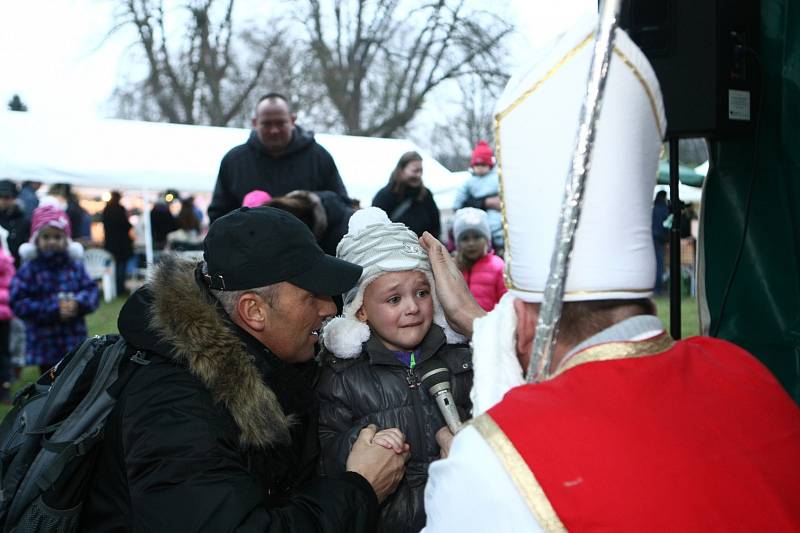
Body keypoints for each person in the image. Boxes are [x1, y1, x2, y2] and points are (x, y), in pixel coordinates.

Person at [421, 15, 800, 532]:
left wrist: (465, 464)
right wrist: (481, 321)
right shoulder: (748, 374)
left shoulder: (492, 465)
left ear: (526, 327)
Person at [80, 206, 409, 532]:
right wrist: (359, 489)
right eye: (312, 296)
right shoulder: (173, 407)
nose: (328, 308)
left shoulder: (270, 360)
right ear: (254, 311)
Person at [317, 207, 471, 533]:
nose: (413, 307)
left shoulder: (459, 359)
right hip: (390, 521)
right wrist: (357, 443)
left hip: (461, 513)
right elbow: (325, 449)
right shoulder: (342, 377)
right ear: (360, 311)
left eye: (422, 292)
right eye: (393, 299)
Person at [208, 93, 350, 223]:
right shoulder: (234, 161)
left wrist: (307, 204)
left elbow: (342, 206)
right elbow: (218, 214)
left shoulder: (318, 157)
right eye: (267, 124)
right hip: (249, 248)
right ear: (255, 123)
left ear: (292, 121)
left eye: (280, 123)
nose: (274, 130)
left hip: (308, 247)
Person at [10, 204, 99, 376]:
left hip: (73, 339)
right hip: (44, 344)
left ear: (66, 240)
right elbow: (19, 301)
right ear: (37, 240)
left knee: (75, 382)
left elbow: (91, 291)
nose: (52, 241)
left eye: (57, 237)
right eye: (46, 236)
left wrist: (77, 303)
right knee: (49, 386)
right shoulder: (30, 269)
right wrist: (53, 308)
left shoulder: (74, 267)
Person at [372, 151, 441, 239]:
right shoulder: (384, 196)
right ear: (401, 170)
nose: (419, 175)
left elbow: (435, 227)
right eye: (415, 171)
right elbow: (375, 229)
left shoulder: (426, 196)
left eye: (421, 171)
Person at [452, 141, 504, 255]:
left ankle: (499, 243)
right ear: (473, 166)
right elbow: (461, 193)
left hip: (493, 210)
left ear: (489, 166)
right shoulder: (470, 181)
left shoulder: (496, 177)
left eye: (483, 165)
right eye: (477, 165)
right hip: (476, 211)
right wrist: (456, 206)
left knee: (495, 223)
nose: (480, 168)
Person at [452, 207, 505, 311]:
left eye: (476, 237)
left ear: (487, 239)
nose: (471, 243)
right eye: (465, 238)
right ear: (457, 243)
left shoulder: (498, 267)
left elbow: (506, 304)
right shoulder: (454, 267)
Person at [102, 191, 134, 295]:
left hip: (111, 243)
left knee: (114, 267)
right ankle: (120, 287)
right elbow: (127, 225)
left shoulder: (106, 210)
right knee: (121, 267)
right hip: (122, 244)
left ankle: (115, 288)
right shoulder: (120, 210)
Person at [0, 180, 30, 266]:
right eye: (0, 196)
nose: (3, 200)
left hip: (17, 266)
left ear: (14, 198)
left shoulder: (23, 220)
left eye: (7, 197)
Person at [0, 227, 15, 402]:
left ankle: (4, 385)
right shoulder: (7, 260)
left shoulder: (4, 261)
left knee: (3, 351)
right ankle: (5, 384)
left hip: (3, 315)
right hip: (5, 314)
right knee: (4, 351)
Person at [652, 189, 669, 294]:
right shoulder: (664, 209)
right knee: (659, 264)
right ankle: (658, 288)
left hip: (651, 238)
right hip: (660, 239)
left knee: (654, 264)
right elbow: (667, 225)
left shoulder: (654, 209)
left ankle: (654, 287)